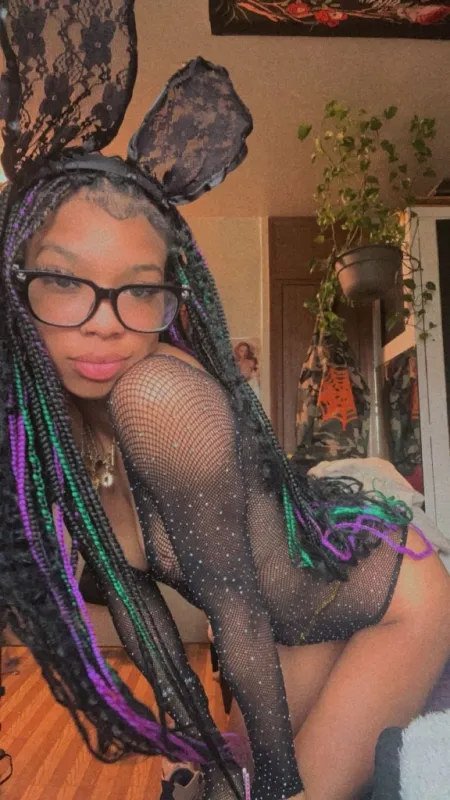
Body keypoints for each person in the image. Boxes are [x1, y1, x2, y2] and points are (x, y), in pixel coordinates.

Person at [0, 4, 449, 800]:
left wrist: (265, 782)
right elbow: (136, 601)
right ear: (17, 281)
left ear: (172, 295)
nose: (105, 322)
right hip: (295, 619)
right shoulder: (56, 432)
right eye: (65, 279)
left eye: (140, 288)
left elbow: (235, 606)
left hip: (389, 600)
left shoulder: (159, 396)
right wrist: (200, 748)